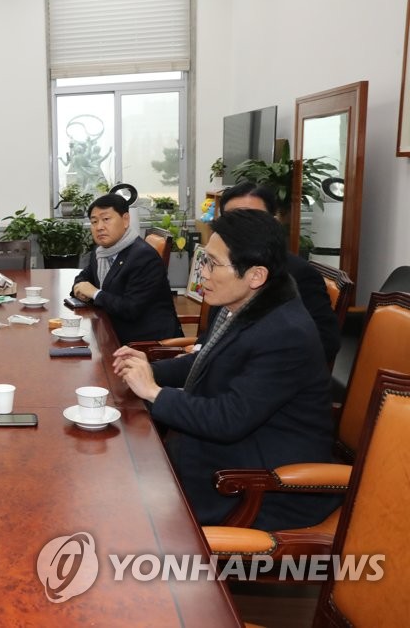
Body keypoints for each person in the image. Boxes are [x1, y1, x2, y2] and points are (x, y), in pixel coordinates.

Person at [112, 210, 338, 530]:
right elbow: (203, 361)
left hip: (259, 485)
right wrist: (149, 369)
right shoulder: (242, 302)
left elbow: (228, 419)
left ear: (255, 275)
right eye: (203, 259)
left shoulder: (286, 333)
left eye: (212, 264)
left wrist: (153, 392)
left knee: (126, 510)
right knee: (121, 471)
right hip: (222, 457)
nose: (201, 273)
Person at [219, 182, 341, 364]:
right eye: (232, 221)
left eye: (252, 219)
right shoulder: (223, 269)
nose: (242, 229)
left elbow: (326, 341)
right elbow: (214, 331)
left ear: (274, 222)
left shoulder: (300, 274)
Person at [72, 194, 182, 344]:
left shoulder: (143, 257)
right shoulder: (101, 252)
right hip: (111, 329)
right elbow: (84, 277)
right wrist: (81, 289)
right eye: (94, 222)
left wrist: (95, 293)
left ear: (125, 220)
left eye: (106, 219)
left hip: (145, 342)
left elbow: (130, 309)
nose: (99, 227)